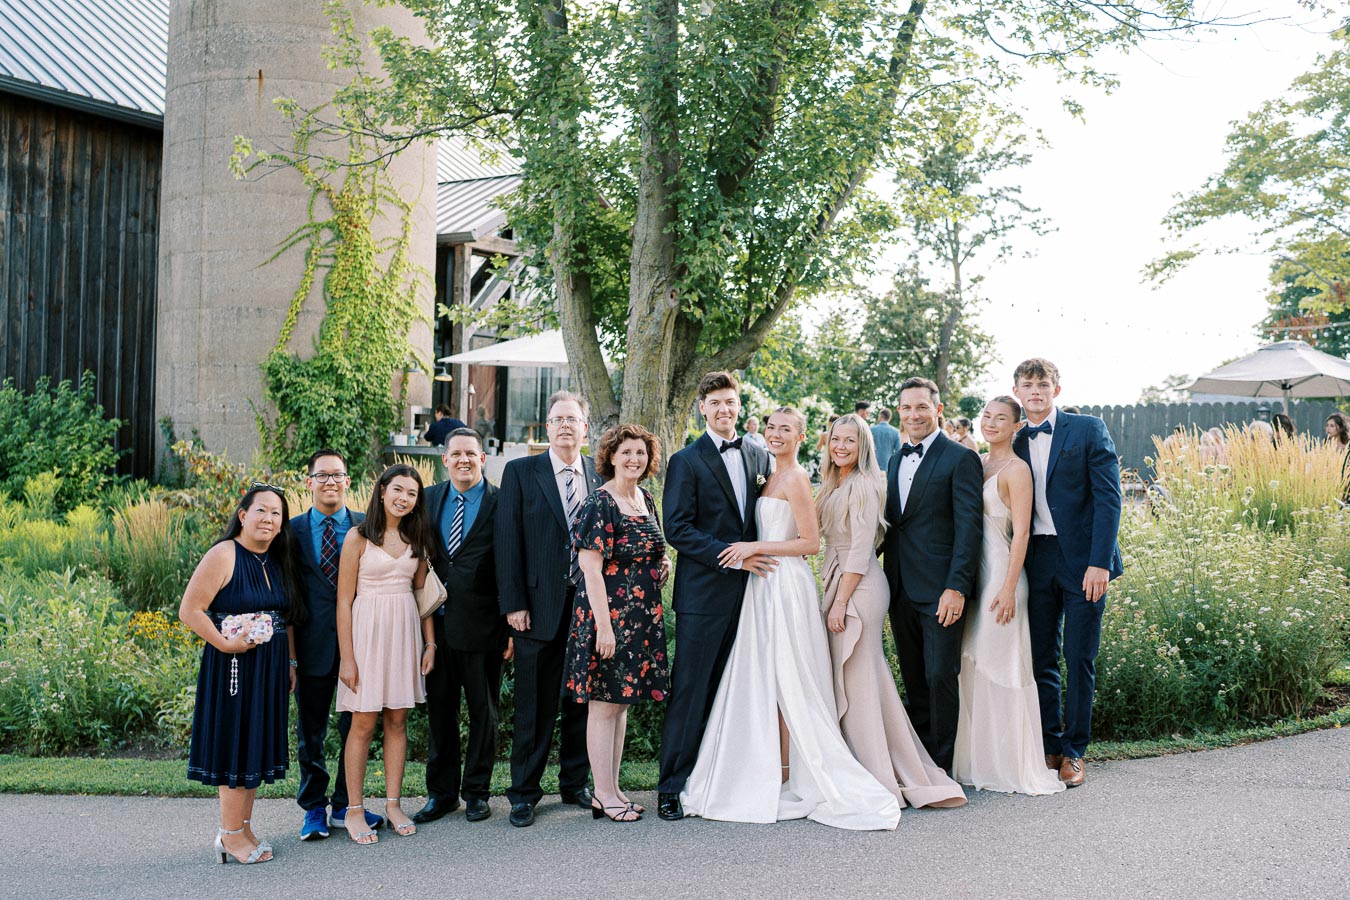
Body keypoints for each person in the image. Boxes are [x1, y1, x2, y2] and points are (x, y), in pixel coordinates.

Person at [682, 408, 901, 829]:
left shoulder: (798, 479)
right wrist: (753, 550)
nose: (776, 433)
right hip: (762, 586)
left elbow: (810, 542)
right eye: (771, 427)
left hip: (786, 586)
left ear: (802, 437)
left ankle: (789, 771)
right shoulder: (768, 475)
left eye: (786, 429)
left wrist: (751, 547)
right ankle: (774, 767)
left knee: (790, 677)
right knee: (765, 676)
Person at [823, 414, 966, 808]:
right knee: (855, 679)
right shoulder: (836, 481)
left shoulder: (866, 484)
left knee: (863, 680)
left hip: (859, 587)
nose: (841, 447)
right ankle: (858, 761)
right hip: (842, 581)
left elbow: (859, 549)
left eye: (850, 441)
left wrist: (839, 601)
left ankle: (880, 772)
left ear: (863, 445)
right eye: (836, 439)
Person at [657, 371, 775, 821]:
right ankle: (671, 785)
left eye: (731, 401)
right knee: (691, 689)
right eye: (716, 403)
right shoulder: (686, 461)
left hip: (755, 595)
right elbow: (678, 529)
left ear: (738, 405)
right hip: (704, 595)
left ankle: (723, 780)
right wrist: (734, 558)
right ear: (702, 408)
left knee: (740, 689)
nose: (724, 409)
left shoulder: (759, 454)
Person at [1012, 358, 1123, 788]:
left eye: (1043, 384)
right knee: (1041, 658)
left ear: (1057, 390)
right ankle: (1049, 744)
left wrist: (1099, 562)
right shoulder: (1015, 440)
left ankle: (1075, 751)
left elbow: (1109, 500)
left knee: (1079, 657)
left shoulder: (1088, 429)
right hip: (1035, 560)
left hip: (1083, 562)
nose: (1035, 391)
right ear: (1018, 392)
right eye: (1028, 385)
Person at [495, 391, 602, 827]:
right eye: (556, 419)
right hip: (536, 609)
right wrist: (514, 603)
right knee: (533, 705)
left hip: (589, 608)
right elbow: (507, 541)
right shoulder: (521, 472)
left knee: (580, 700)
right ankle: (523, 792)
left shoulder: (600, 473)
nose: (564, 426)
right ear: (547, 427)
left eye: (571, 419)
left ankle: (575, 783)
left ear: (584, 427)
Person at [181, 484, 303, 864]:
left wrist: (291, 662)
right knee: (235, 745)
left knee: (253, 746)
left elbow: (286, 618)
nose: (269, 519)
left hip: (269, 668)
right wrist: (225, 644)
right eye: (262, 511)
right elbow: (190, 610)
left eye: (277, 514)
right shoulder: (224, 554)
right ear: (243, 515)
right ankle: (229, 836)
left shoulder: (275, 559)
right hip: (234, 665)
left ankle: (243, 828)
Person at [953, 397, 1065, 796]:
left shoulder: (1017, 471)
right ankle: (976, 760)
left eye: (1001, 418)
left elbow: (1022, 532)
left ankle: (1009, 764)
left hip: (1002, 575)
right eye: (986, 416)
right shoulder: (976, 463)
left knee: (1001, 667)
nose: (991, 423)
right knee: (973, 664)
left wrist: (1007, 587)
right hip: (973, 577)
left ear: (1017, 426)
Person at [563, 424, 671, 821]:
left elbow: (649, 548)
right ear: (610, 456)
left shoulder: (644, 498)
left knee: (620, 704)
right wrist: (604, 628)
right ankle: (603, 794)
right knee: (604, 706)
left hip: (640, 618)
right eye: (626, 452)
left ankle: (613, 789)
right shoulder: (599, 503)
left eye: (640, 453)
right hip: (607, 618)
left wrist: (663, 562)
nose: (634, 459)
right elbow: (590, 570)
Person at [883, 378, 983, 774]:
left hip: (942, 588)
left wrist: (957, 587)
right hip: (899, 586)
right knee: (913, 674)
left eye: (921, 407)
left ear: (937, 410)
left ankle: (942, 766)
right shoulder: (894, 458)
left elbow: (968, 529)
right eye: (906, 408)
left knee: (941, 674)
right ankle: (921, 761)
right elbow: (895, 524)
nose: (913, 415)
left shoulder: (960, 458)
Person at [336, 464, 438, 843]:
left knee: (397, 721)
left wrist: (430, 643)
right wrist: (347, 657)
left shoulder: (418, 538)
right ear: (381, 491)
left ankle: (394, 804)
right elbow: (344, 602)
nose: (404, 498)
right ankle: (355, 810)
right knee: (363, 723)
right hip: (366, 634)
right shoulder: (358, 538)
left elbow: (421, 595)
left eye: (411, 494)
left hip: (405, 632)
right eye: (398, 490)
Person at [414, 429, 509, 825]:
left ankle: (476, 792)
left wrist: (511, 627)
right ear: (445, 459)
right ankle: (441, 794)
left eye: (472, 453)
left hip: (485, 627)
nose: (464, 460)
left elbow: (510, 565)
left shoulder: (501, 501)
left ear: (483, 459)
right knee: (440, 712)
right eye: (457, 454)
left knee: (483, 713)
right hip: (436, 629)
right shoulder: (429, 498)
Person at [291, 450, 384, 841]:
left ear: (348, 482)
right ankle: (313, 808)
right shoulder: (291, 531)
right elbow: (289, 597)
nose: (330, 482)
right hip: (311, 647)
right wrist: (291, 657)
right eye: (322, 476)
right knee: (310, 732)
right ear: (309, 481)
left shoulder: (368, 527)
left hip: (358, 646)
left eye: (337, 476)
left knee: (355, 728)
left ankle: (347, 804)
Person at [869, 407, 901, 472]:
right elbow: (898, 451)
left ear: (880, 416)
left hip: (872, 466)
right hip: (888, 466)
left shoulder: (871, 430)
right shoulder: (896, 432)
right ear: (889, 418)